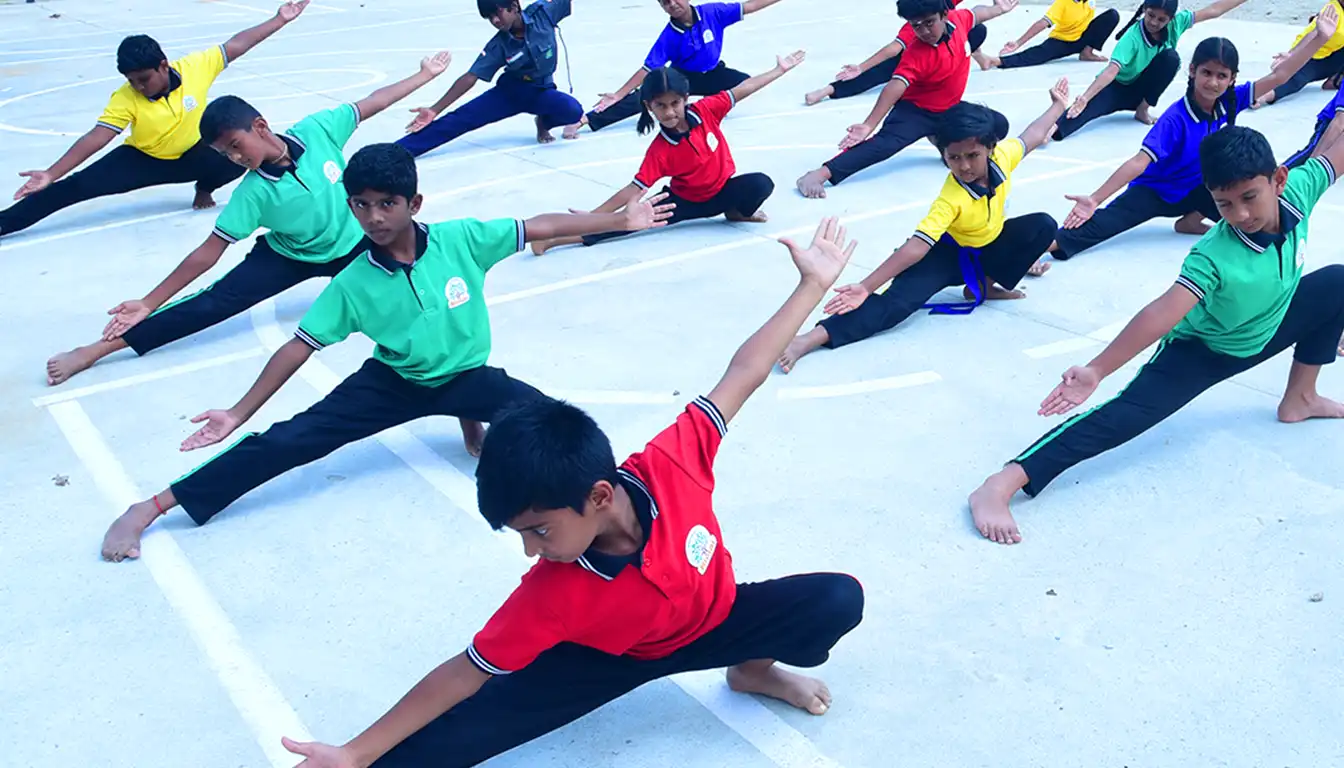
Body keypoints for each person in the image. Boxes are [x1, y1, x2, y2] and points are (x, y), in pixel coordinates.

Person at [275, 217, 865, 768]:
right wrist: (354, 752)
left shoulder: (673, 465)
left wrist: (812, 286)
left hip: (714, 620)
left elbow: (745, 372)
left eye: (539, 529)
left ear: (600, 496)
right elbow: (465, 672)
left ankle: (752, 670)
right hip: (606, 660)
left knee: (836, 598)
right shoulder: (551, 593)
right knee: (447, 744)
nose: (532, 550)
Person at [98, 143, 675, 563]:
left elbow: (539, 223)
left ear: (413, 202)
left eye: (386, 204)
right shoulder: (352, 282)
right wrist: (236, 413)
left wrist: (618, 219)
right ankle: (154, 505)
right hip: (393, 382)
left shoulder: (461, 240)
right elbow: (296, 349)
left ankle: (616, 510)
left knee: (557, 428)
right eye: (361, 205)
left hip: (469, 377)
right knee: (289, 440)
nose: (373, 217)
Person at [968, 125, 1344, 546]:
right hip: (1203, 352)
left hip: (1267, 326)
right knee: (1123, 417)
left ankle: (1301, 397)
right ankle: (1003, 482)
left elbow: (1336, 153)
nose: (1238, 214)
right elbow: (1162, 312)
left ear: (1278, 179)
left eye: (1249, 198)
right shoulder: (1214, 255)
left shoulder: (1300, 189)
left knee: (1336, 284)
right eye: (1223, 204)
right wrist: (1096, 370)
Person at [44, 53, 455, 386]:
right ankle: (94, 351)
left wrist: (424, 75)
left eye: (236, 146)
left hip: (352, 244)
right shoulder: (253, 192)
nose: (235, 158)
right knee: (212, 304)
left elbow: (375, 101)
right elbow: (207, 254)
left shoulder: (317, 131)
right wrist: (149, 302)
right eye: (225, 154)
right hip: (288, 255)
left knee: (417, 268)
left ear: (260, 126)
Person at [779, 81, 1068, 373]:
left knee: (1043, 225)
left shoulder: (1003, 158)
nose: (964, 166)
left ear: (990, 149)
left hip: (989, 245)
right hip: (946, 255)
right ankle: (807, 340)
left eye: (972, 156)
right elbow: (917, 247)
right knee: (896, 305)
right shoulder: (950, 198)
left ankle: (984, 286)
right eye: (954, 157)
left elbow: (1031, 134)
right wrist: (866, 287)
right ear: (943, 154)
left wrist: (1057, 105)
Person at [0, 0, 310, 239]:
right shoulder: (125, 97)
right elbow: (97, 136)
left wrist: (279, 19)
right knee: (73, 187)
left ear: (163, 66)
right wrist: (51, 173)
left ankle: (204, 188)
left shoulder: (194, 68)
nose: (138, 86)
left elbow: (238, 44)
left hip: (195, 155)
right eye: (131, 80)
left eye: (143, 79)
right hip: (143, 160)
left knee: (241, 155)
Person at [1043, 21, 1335, 264]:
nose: (1213, 83)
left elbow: (1281, 74)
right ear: (1193, 70)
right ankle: (1037, 250)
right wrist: (1094, 199)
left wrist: (1319, 38)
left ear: (1232, 79)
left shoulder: (1231, 100)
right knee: (1102, 225)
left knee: (1256, 224)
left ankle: (1189, 222)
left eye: (1222, 76)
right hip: (1156, 191)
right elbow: (1138, 162)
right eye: (1207, 73)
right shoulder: (1176, 119)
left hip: (1200, 189)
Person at [532, 51, 803, 254]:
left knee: (761, 183)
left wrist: (778, 70)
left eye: (675, 103)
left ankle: (737, 213)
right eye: (661, 106)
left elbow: (742, 89)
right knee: (628, 221)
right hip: (683, 202)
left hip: (722, 192)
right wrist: (595, 216)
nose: (670, 111)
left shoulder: (707, 110)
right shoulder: (660, 151)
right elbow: (633, 191)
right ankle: (554, 239)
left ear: (686, 99)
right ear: (649, 106)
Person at [794, 0, 1018, 199]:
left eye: (929, 23)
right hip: (916, 111)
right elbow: (894, 86)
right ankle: (818, 174)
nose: (923, 30)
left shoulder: (959, 20)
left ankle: (944, 143)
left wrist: (999, 9)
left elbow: (977, 14)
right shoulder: (917, 53)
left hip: (949, 110)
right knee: (884, 146)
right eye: (916, 25)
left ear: (944, 15)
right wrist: (869, 124)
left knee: (997, 125)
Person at [563, 0, 789, 138]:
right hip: (682, 78)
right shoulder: (669, 36)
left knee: (744, 82)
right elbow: (647, 69)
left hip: (713, 72)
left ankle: (710, 108)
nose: (672, 4)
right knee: (645, 96)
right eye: (665, 2)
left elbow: (750, 6)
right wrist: (619, 94)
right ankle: (585, 120)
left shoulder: (713, 12)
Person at [398, 0, 582, 155]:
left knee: (572, 111)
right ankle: (398, 152)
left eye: (497, 13)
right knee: (459, 120)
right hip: (509, 93)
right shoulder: (498, 45)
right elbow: (470, 77)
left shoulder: (544, 14)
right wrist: (434, 110)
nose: (495, 20)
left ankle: (544, 122)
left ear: (513, 6)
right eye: (489, 17)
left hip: (542, 90)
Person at [1052, 0, 1248, 142]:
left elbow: (1213, 10)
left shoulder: (1176, 24)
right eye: (1151, 15)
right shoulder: (1133, 37)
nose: (1154, 22)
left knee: (1171, 58)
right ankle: (1049, 131)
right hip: (1116, 88)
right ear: (1145, 9)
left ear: (1170, 19)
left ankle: (1142, 109)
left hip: (1143, 89)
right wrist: (1085, 98)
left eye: (1161, 19)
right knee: (1079, 115)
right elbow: (1111, 71)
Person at [801, 0, 994, 107]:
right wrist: (861, 67)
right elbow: (893, 48)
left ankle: (980, 56)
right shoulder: (919, 21)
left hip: (945, 51)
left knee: (977, 29)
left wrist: (998, 7)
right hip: (917, 58)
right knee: (875, 74)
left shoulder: (940, 7)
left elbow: (975, 12)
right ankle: (829, 90)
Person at [979, 0, 1120, 71]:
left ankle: (1087, 52)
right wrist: (1018, 42)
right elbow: (1042, 23)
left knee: (1112, 15)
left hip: (1083, 37)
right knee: (1036, 55)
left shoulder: (1090, 1)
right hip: (1062, 41)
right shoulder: (1062, 3)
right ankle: (995, 61)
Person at [1258, 0, 1344, 106]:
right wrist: (1292, 55)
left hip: (1335, 57)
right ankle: (1261, 96)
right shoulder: (1333, 10)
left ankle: (1337, 78)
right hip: (1313, 58)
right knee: (1294, 79)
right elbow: (1314, 33)